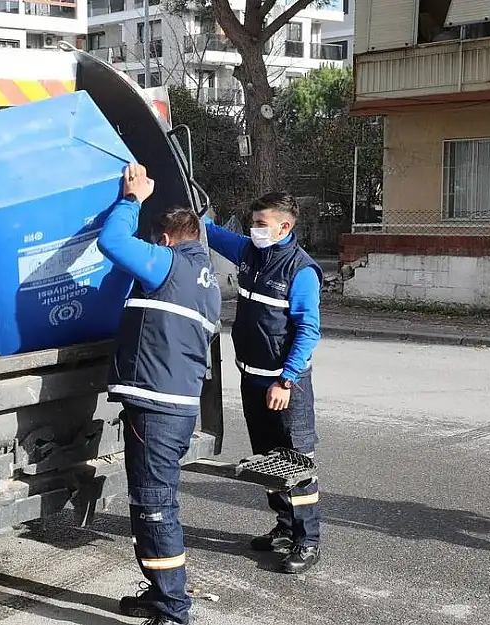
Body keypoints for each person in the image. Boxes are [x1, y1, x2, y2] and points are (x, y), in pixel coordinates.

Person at [99, 163, 221, 625]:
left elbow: (111, 243)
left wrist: (131, 199)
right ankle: (160, 593)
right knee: (154, 502)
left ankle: (173, 608)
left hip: (156, 407)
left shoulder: (167, 263)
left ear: (167, 239)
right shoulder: (208, 286)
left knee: (155, 506)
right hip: (176, 406)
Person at [204, 191, 324, 575]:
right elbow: (205, 230)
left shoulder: (301, 270)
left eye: (261, 224)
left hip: (284, 386)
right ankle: (284, 530)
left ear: (284, 226)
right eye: (253, 222)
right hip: (253, 379)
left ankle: (307, 542)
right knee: (270, 465)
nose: (253, 229)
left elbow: (308, 331)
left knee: (295, 465)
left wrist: (285, 381)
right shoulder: (248, 252)